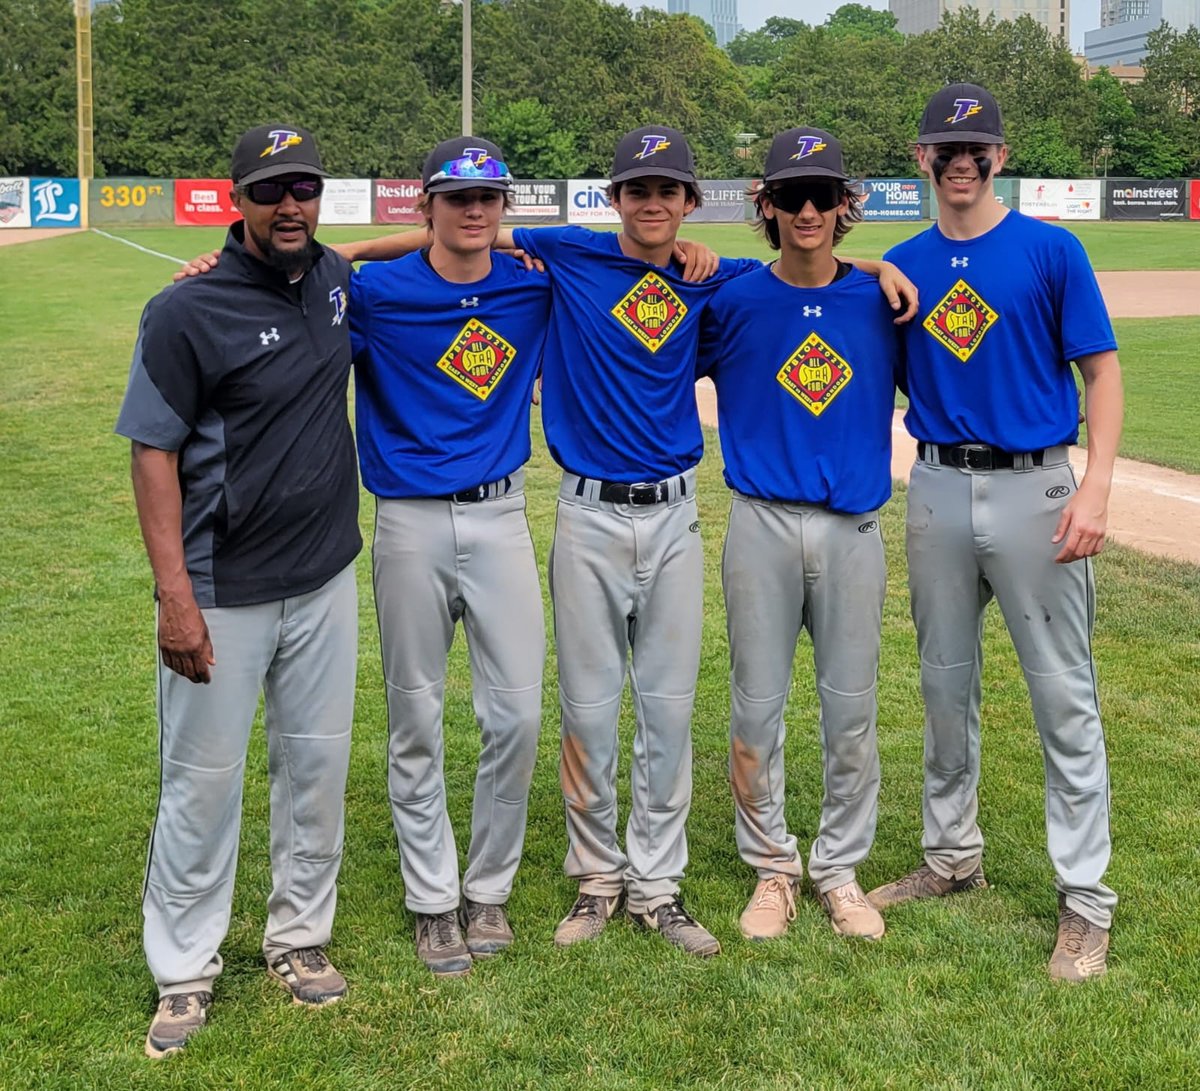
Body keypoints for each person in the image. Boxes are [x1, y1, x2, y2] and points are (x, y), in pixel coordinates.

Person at [866, 84, 1123, 982]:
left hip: (1036, 487)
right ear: (922, 158)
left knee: (1063, 693)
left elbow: (1101, 373)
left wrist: (1095, 487)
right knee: (944, 684)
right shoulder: (902, 263)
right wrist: (867, 266)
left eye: (976, 147)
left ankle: (1085, 898)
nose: (961, 161)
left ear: (1001, 157)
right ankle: (951, 855)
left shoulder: (1051, 249)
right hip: (937, 483)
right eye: (945, 147)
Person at [116, 123, 361, 1059]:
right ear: (237, 201)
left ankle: (298, 939)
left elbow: (388, 248)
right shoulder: (186, 309)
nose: (289, 205)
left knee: (316, 771)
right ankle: (184, 969)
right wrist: (174, 596)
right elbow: (152, 452)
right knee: (202, 783)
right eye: (270, 191)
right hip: (222, 588)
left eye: (304, 188)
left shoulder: (332, 278)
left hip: (324, 575)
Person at [348, 137, 550, 977]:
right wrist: (353, 251)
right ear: (424, 204)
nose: (473, 210)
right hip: (409, 520)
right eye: (456, 197)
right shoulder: (375, 293)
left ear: (503, 210)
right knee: (416, 715)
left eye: (487, 199)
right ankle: (433, 899)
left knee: (518, 715)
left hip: (501, 515)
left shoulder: (532, 284)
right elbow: (291, 279)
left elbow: (631, 254)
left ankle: (488, 887)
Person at [698, 128, 900, 943]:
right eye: (791, 195)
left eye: (822, 195)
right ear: (767, 204)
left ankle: (840, 869)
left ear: (846, 203)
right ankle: (773, 866)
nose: (807, 210)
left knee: (851, 708)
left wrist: (883, 268)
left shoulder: (883, 299)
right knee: (757, 706)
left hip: (853, 524)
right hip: (763, 521)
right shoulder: (733, 300)